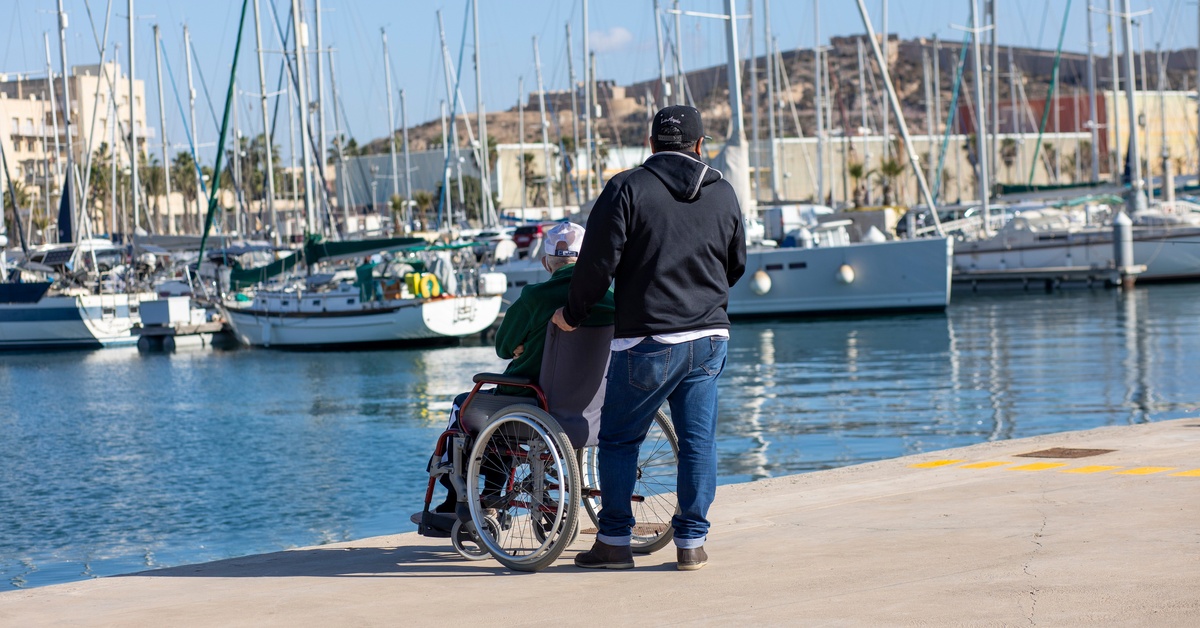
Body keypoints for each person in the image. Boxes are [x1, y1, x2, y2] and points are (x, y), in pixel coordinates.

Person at [553, 105, 745, 571]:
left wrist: (572, 315)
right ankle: (691, 543)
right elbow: (736, 264)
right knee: (698, 443)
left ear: (652, 144)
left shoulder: (627, 188)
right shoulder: (724, 194)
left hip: (648, 339)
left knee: (619, 441)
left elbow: (597, 266)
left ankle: (615, 542)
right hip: (709, 337)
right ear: (700, 146)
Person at [412, 222, 615, 531]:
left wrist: (521, 345)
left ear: (547, 262)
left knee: (465, 408)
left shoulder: (536, 296)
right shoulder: (611, 297)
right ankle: (491, 497)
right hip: (594, 409)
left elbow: (504, 347)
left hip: (535, 401)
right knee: (498, 418)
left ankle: (462, 500)